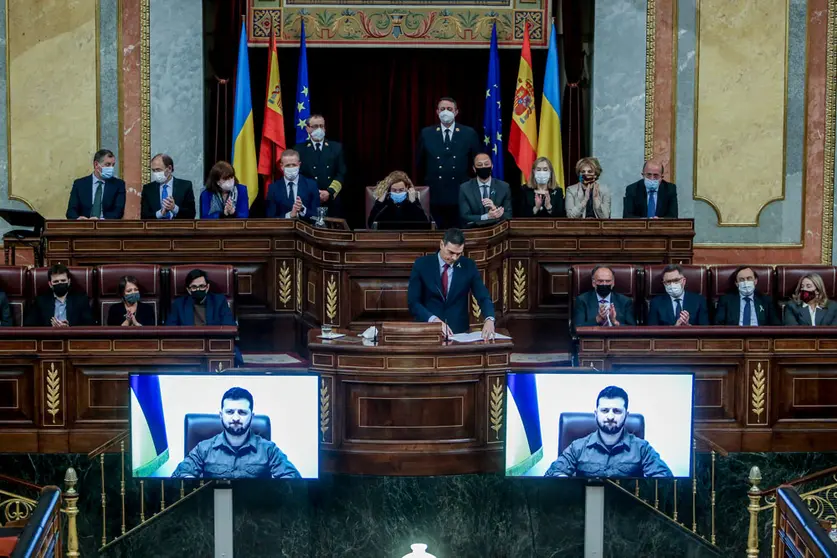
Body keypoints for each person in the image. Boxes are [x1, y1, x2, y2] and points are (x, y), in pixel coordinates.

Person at [545, 385, 673, 478]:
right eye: (605, 410)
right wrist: (561, 482)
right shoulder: (577, 447)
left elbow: (665, 480)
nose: (610, 417)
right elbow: (552, 475)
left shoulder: (642, 448)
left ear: (626, 415)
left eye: (617, 411)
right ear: (596, 414)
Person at [172, 387, 300, 479]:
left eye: (242, 412)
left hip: (255, 510)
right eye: (230, 412)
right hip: (215, 508)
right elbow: (179, 476)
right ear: (221, 415)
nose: (235, 418)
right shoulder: (204, 448)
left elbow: (293, 478)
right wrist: (188, 482)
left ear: (252, 416)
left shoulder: (268, 449)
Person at [407, 228, 496, 339]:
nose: (454, 257)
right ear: (441, 245)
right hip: (428, 330)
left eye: (458, 254)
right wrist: (433, 320)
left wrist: (489, 319)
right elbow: (413, 302)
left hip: (458, 333)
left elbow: (483, 296)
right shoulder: (422, 265)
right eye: (451, 252)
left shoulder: (468, 266)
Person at [416, 97, 482, 229]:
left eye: (449, 109)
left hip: (460, 192)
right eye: (442, 109)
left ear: (456, 112)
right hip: (435, 193)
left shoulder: (468, 133)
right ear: (437, 112)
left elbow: (477, 162)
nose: (446, 112)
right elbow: (420, 163)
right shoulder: (426, 133)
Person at [293, 114, 347, 218]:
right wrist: (314, 191)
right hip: (309, 200)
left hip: (331, 200)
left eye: (321, 126)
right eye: (315, 126)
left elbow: (341, 173)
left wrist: (329, 192)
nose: (319, 129)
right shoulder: (299, 150)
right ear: (308, 129)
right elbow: (298, 175)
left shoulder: (336, 148)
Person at [24, 264, 94, 327]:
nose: (60, 283)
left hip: (73, 339)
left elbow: (90, 325)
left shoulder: (81, 300)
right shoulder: (40, 301)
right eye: (56, 281)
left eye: (63, 281)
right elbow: (29, 325)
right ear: (50, 284)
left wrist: (69, 327)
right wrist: (51, 327)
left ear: (69, 282)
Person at [66, 149, 126, 220]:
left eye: (113, 165)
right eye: (107, 164)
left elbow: (118, 212)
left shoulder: (118, 184)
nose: (111, 168)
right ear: (96, 164)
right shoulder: (79, 184)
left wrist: (100, 221)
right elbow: (71, 211)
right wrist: (78, 218)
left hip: (107, 227)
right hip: (84, 227)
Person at [458, 153, 512, 227]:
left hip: (498, 230)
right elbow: (465, 216)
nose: (483, 167)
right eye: (480, 165)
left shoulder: (504, 187)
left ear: (492, 166)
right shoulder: (465, 188)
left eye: (486, 164)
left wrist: (496, 210)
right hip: (474, 231)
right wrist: (486, 217)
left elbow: (508, 215)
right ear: (474, 168)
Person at [166, 269, 236, 327]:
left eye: (202, 286)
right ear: (188, 290)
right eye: (194, 287)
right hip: (189, 342)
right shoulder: (178, 304)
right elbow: (170, 330)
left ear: (207, 287)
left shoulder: (219, 301)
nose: (198, 289)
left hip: (214, 341)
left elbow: (229, 327)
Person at [714, 266, 780, 326]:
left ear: (755, 281)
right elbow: (718, 324)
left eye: (749, 278)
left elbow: (776, 324)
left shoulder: (766, 300)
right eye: (741, 280)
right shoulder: (726, 300)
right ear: (736, 283)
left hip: (760, 337)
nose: (746, 282)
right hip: (735, 337)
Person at [265, 149, 320, 220]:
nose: (291, 168)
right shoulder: (273, 188)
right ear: (281, 166)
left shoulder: (311, 185)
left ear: (299, 165)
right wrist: (289, 216)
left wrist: (302, 209)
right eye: (287, 165)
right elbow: (270, 218)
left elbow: (317, 217)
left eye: (294, 165)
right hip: (282, 230)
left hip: (305, 230)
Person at [140, 153, 196, 220]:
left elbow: (191, 214)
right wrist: (160, 213)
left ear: (169, 168)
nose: (155, 173)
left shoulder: (185, 186)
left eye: (158, 170)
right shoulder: (148, 189)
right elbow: (144, 216)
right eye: (153, 170)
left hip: (179, 228)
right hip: (155, 229)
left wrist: (174, 208)